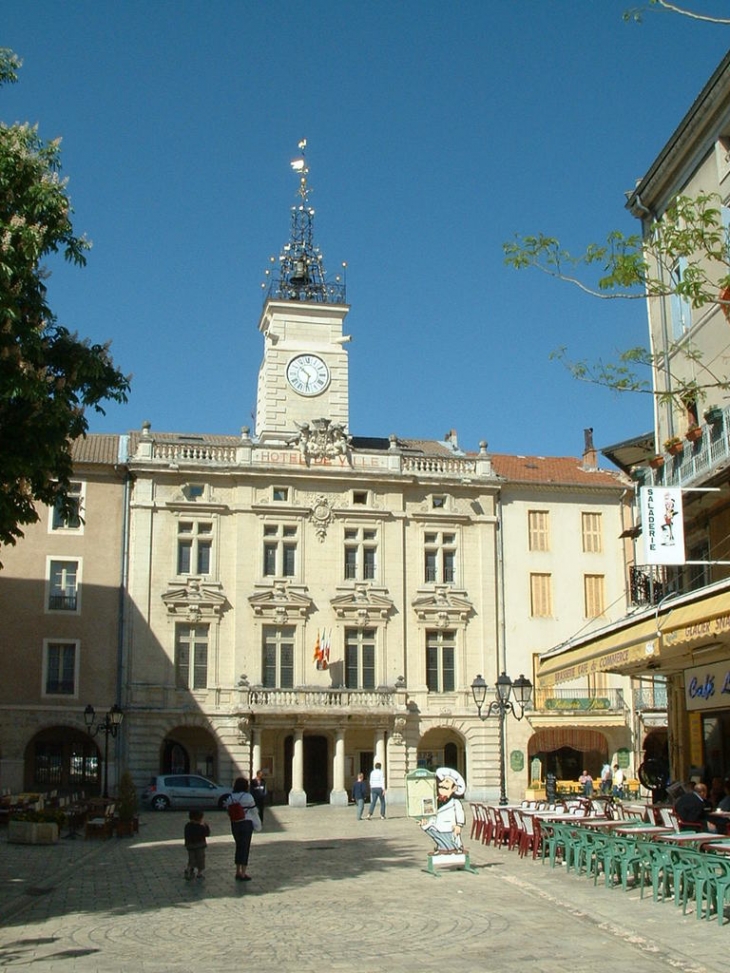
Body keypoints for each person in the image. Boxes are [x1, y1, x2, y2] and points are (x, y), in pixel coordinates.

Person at [419, 767, 466, 853]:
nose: (442, 784)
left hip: (448, 828)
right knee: (431, 832)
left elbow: (460, 814)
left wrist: (459, 825)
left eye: (447, 781)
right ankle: (441, 847)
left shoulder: (455, 802)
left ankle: (452, 849)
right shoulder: (434, 799)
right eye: (442, 781)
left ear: (454, 788)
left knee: (450, 841)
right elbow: (427, 811)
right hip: (435, 826)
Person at [225, 777, 259, 881]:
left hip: (235, 824)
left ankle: (237, 871)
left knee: (238, 846)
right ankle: (243, 873)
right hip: (246, 823)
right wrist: (257, 824)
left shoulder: (230, 797)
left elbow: (227, 809)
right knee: (245, 847)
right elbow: (254, 811)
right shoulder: (248, 797)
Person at [183, 809, 210, 881]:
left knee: (191, 859)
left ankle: (188, 869)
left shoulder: (188, 825)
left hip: (190, 845)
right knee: (200, 859)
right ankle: (199, 873)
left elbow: (186, 835)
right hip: (200, 845)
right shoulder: (202, 826)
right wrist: (205, 825)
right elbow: (207, 834)